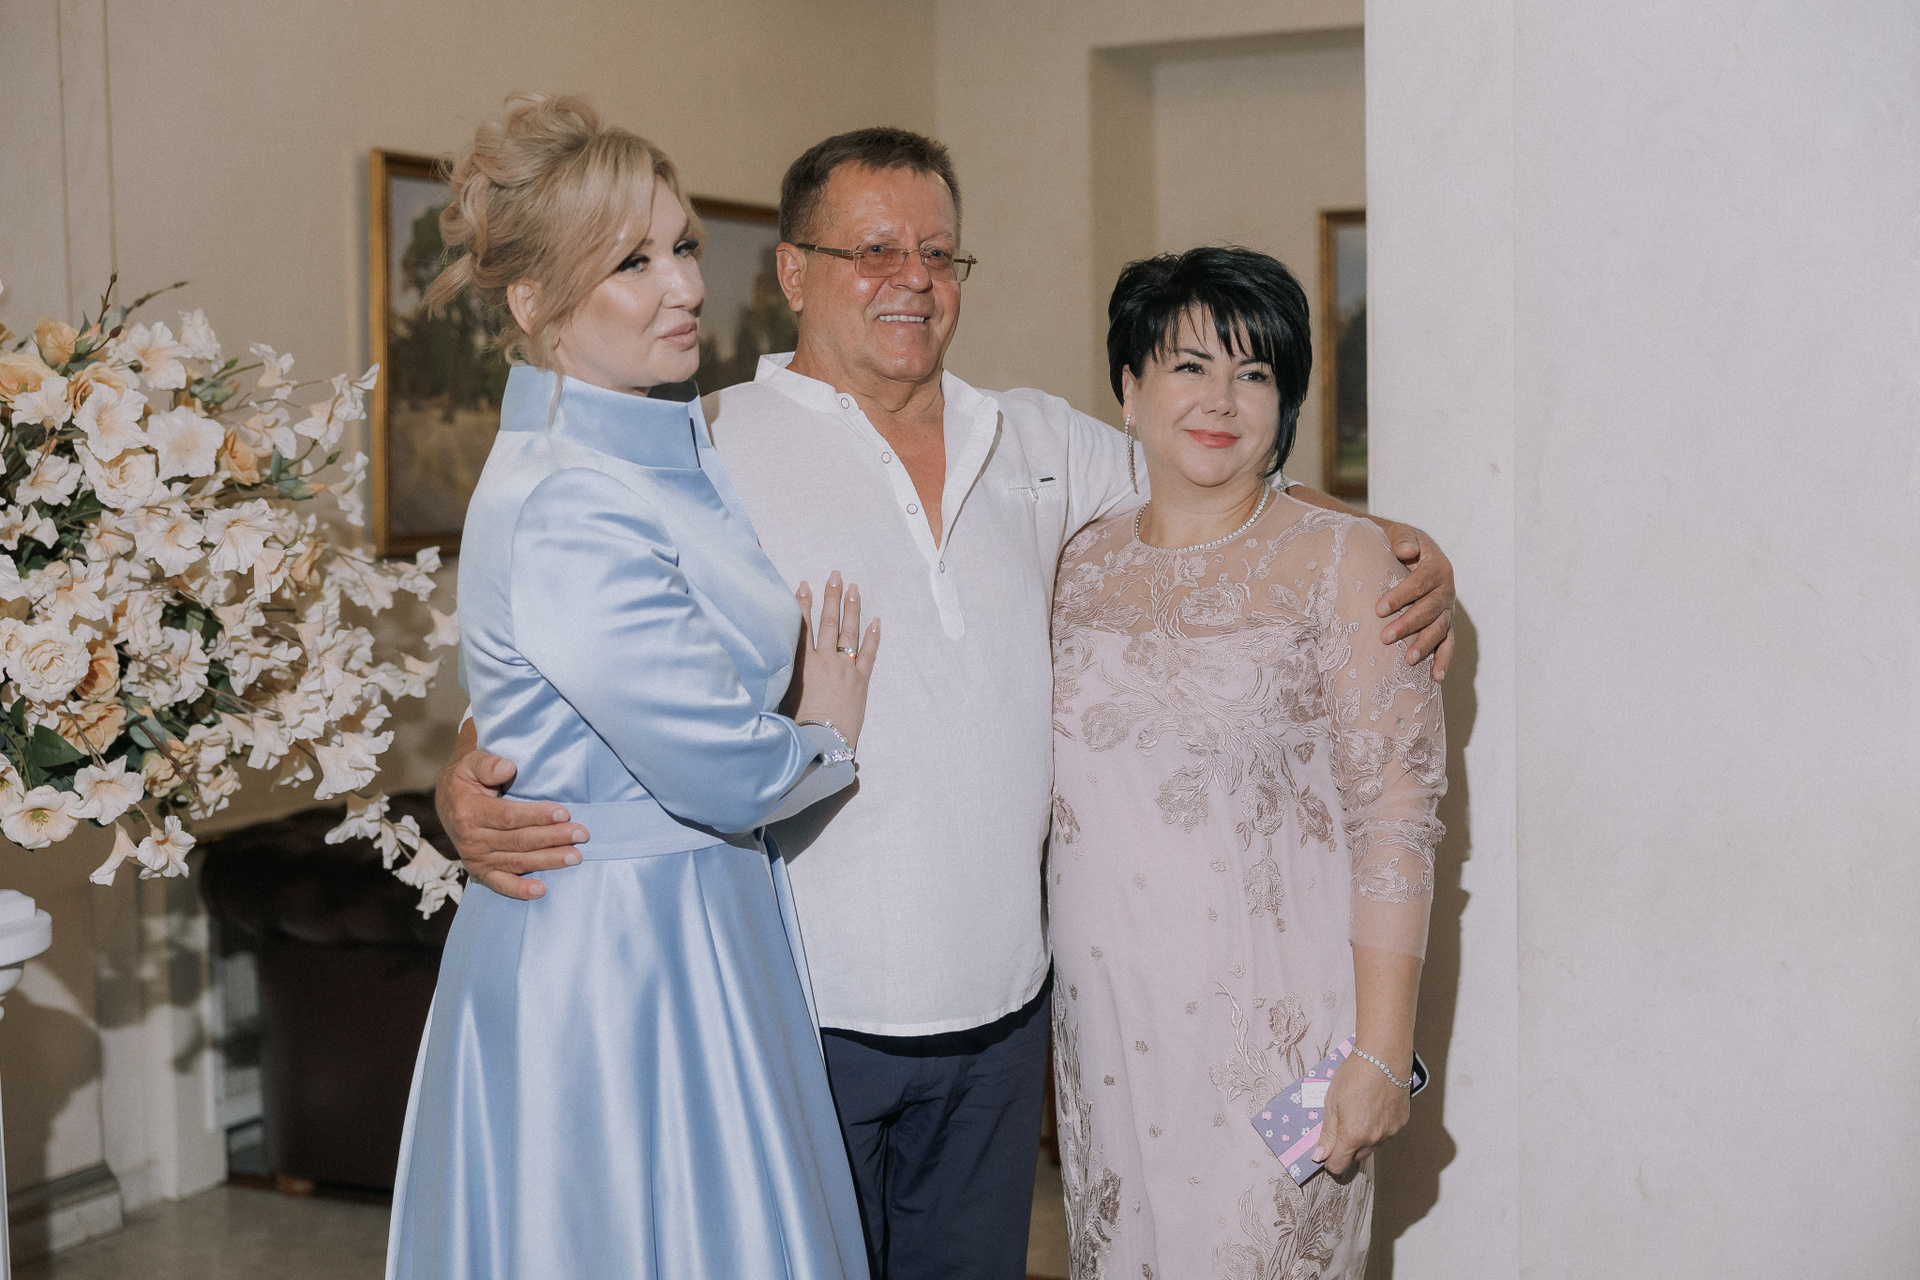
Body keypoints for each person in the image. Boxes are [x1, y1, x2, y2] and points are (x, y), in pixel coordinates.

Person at [437, 129, 1457, 1278]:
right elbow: (585, 641)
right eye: (873, 250)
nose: (912, 278)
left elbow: (1215, 473)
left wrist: (1397, 547)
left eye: (938, 252)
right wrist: (470, 767)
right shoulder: (704, 445)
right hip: (800, 1009)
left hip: (1009, 1019)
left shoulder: (1034, 437)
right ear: (792, 271)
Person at [386, 95, 878, 1280]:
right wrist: (826, 731)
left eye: (684, 246)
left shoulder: (645, 450)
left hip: (689, 923)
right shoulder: (568, 494)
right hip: (617, 959)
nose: (686, 285)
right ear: (532, 303)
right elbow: (716, 765)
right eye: (633, 262)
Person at [1046, 246, 1445, 1280]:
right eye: (1189, 366)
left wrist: (1379, 1051)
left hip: (1281, 1045)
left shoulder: (1342, 558)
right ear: (1129, 389)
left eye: (1254, 372)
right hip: (1110, 1047)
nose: (1221, 398)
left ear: (1286, 402)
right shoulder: (1076, 563)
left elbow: (1398, 813)